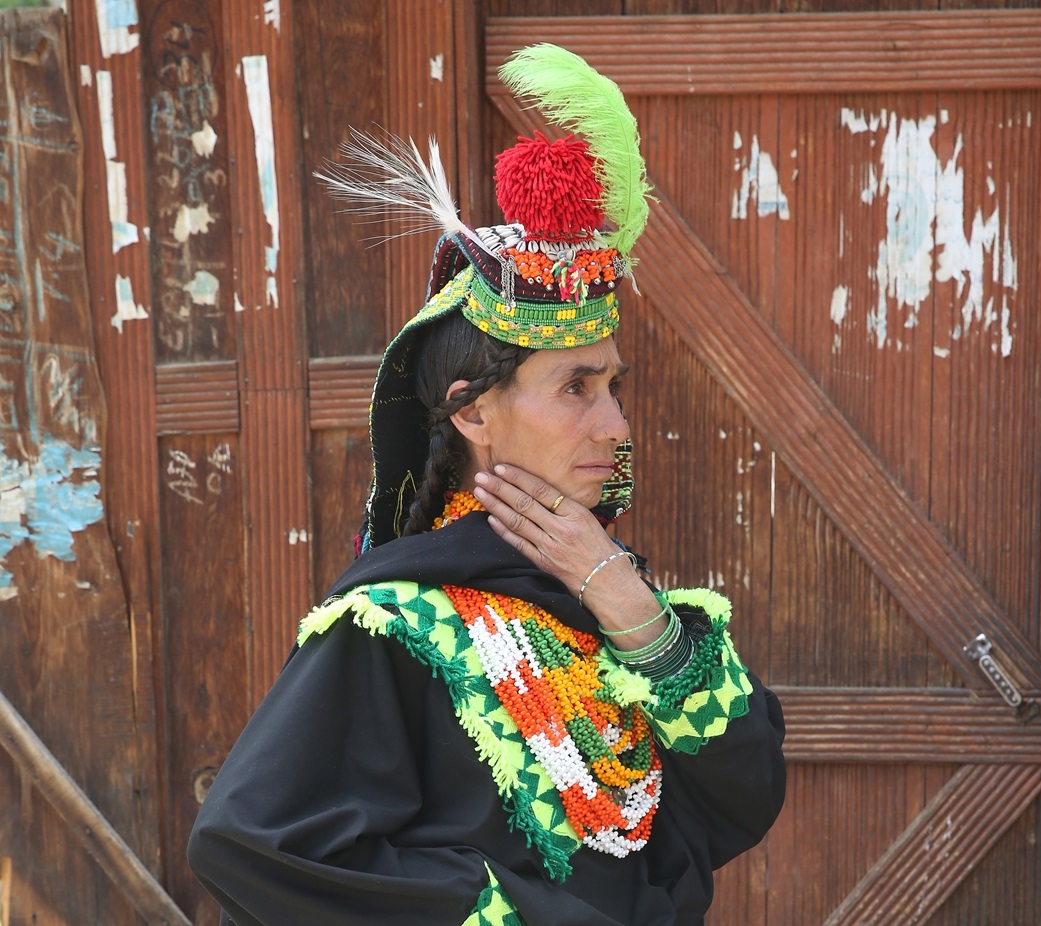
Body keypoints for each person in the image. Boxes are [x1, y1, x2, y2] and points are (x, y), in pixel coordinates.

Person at [187, 44, 785, 925]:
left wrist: (632, 610)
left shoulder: (613, 602)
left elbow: (747, 796)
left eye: (613, 385)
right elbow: (248, 842)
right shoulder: (394, 627)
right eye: (575, 387)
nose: (614, 424)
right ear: (472, 413)